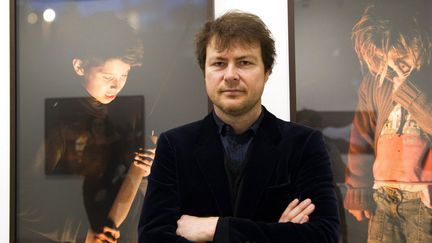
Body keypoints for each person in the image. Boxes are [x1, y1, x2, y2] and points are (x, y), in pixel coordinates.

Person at [138, 11, 340, 242]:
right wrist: (278, 232)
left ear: (267, 72)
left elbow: (324, 236)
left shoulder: (304, 144)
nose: (230, 75)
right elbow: (153, 238)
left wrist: (215, 228)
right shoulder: (174, 146)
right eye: (219, 63)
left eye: (244, 62)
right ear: (205, 72)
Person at [24, 13, 154, 243]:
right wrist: (78, 231)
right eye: (107, 76)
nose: (117, 85)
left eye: (124, 75)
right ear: (79, 66)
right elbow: (23, 201)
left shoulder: (123, 112)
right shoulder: (56, 122)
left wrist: (146, 173)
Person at [344, 1, 432, 242]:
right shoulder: (372, 83)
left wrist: (411, 93)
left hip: (425, 201)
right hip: (382, 197)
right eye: (385, 59)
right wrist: (356, 189)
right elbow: (360, 138)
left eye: (400, 57)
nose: (393, 66)